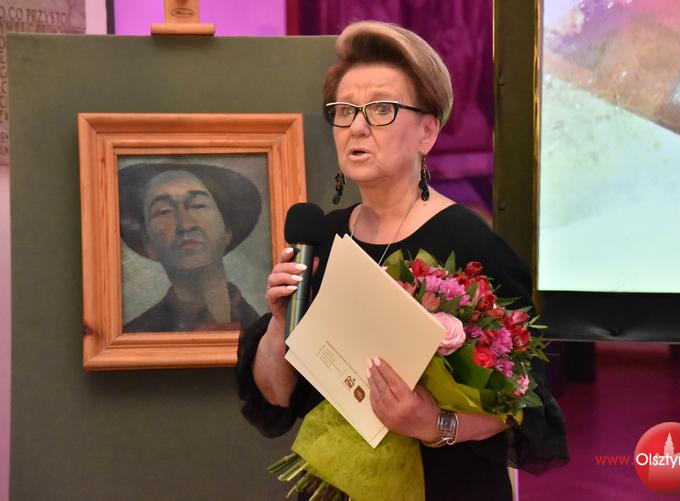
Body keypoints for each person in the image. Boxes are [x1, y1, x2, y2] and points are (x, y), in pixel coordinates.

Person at [236, 21, 568, 499]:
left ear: (427, 132)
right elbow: (277, 394)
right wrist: (278, 321)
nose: (357, 126)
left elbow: (522, 402)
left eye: (381, 109)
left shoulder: (471, 245)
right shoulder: (324, 237)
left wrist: (433, 422)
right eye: (344, 111)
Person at [119, 162, 261, 332]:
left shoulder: (272, 329)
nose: (185, 225)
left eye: (198, 205)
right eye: (163, 211)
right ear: (149, 245)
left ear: (227, 231)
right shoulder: (135, 336)